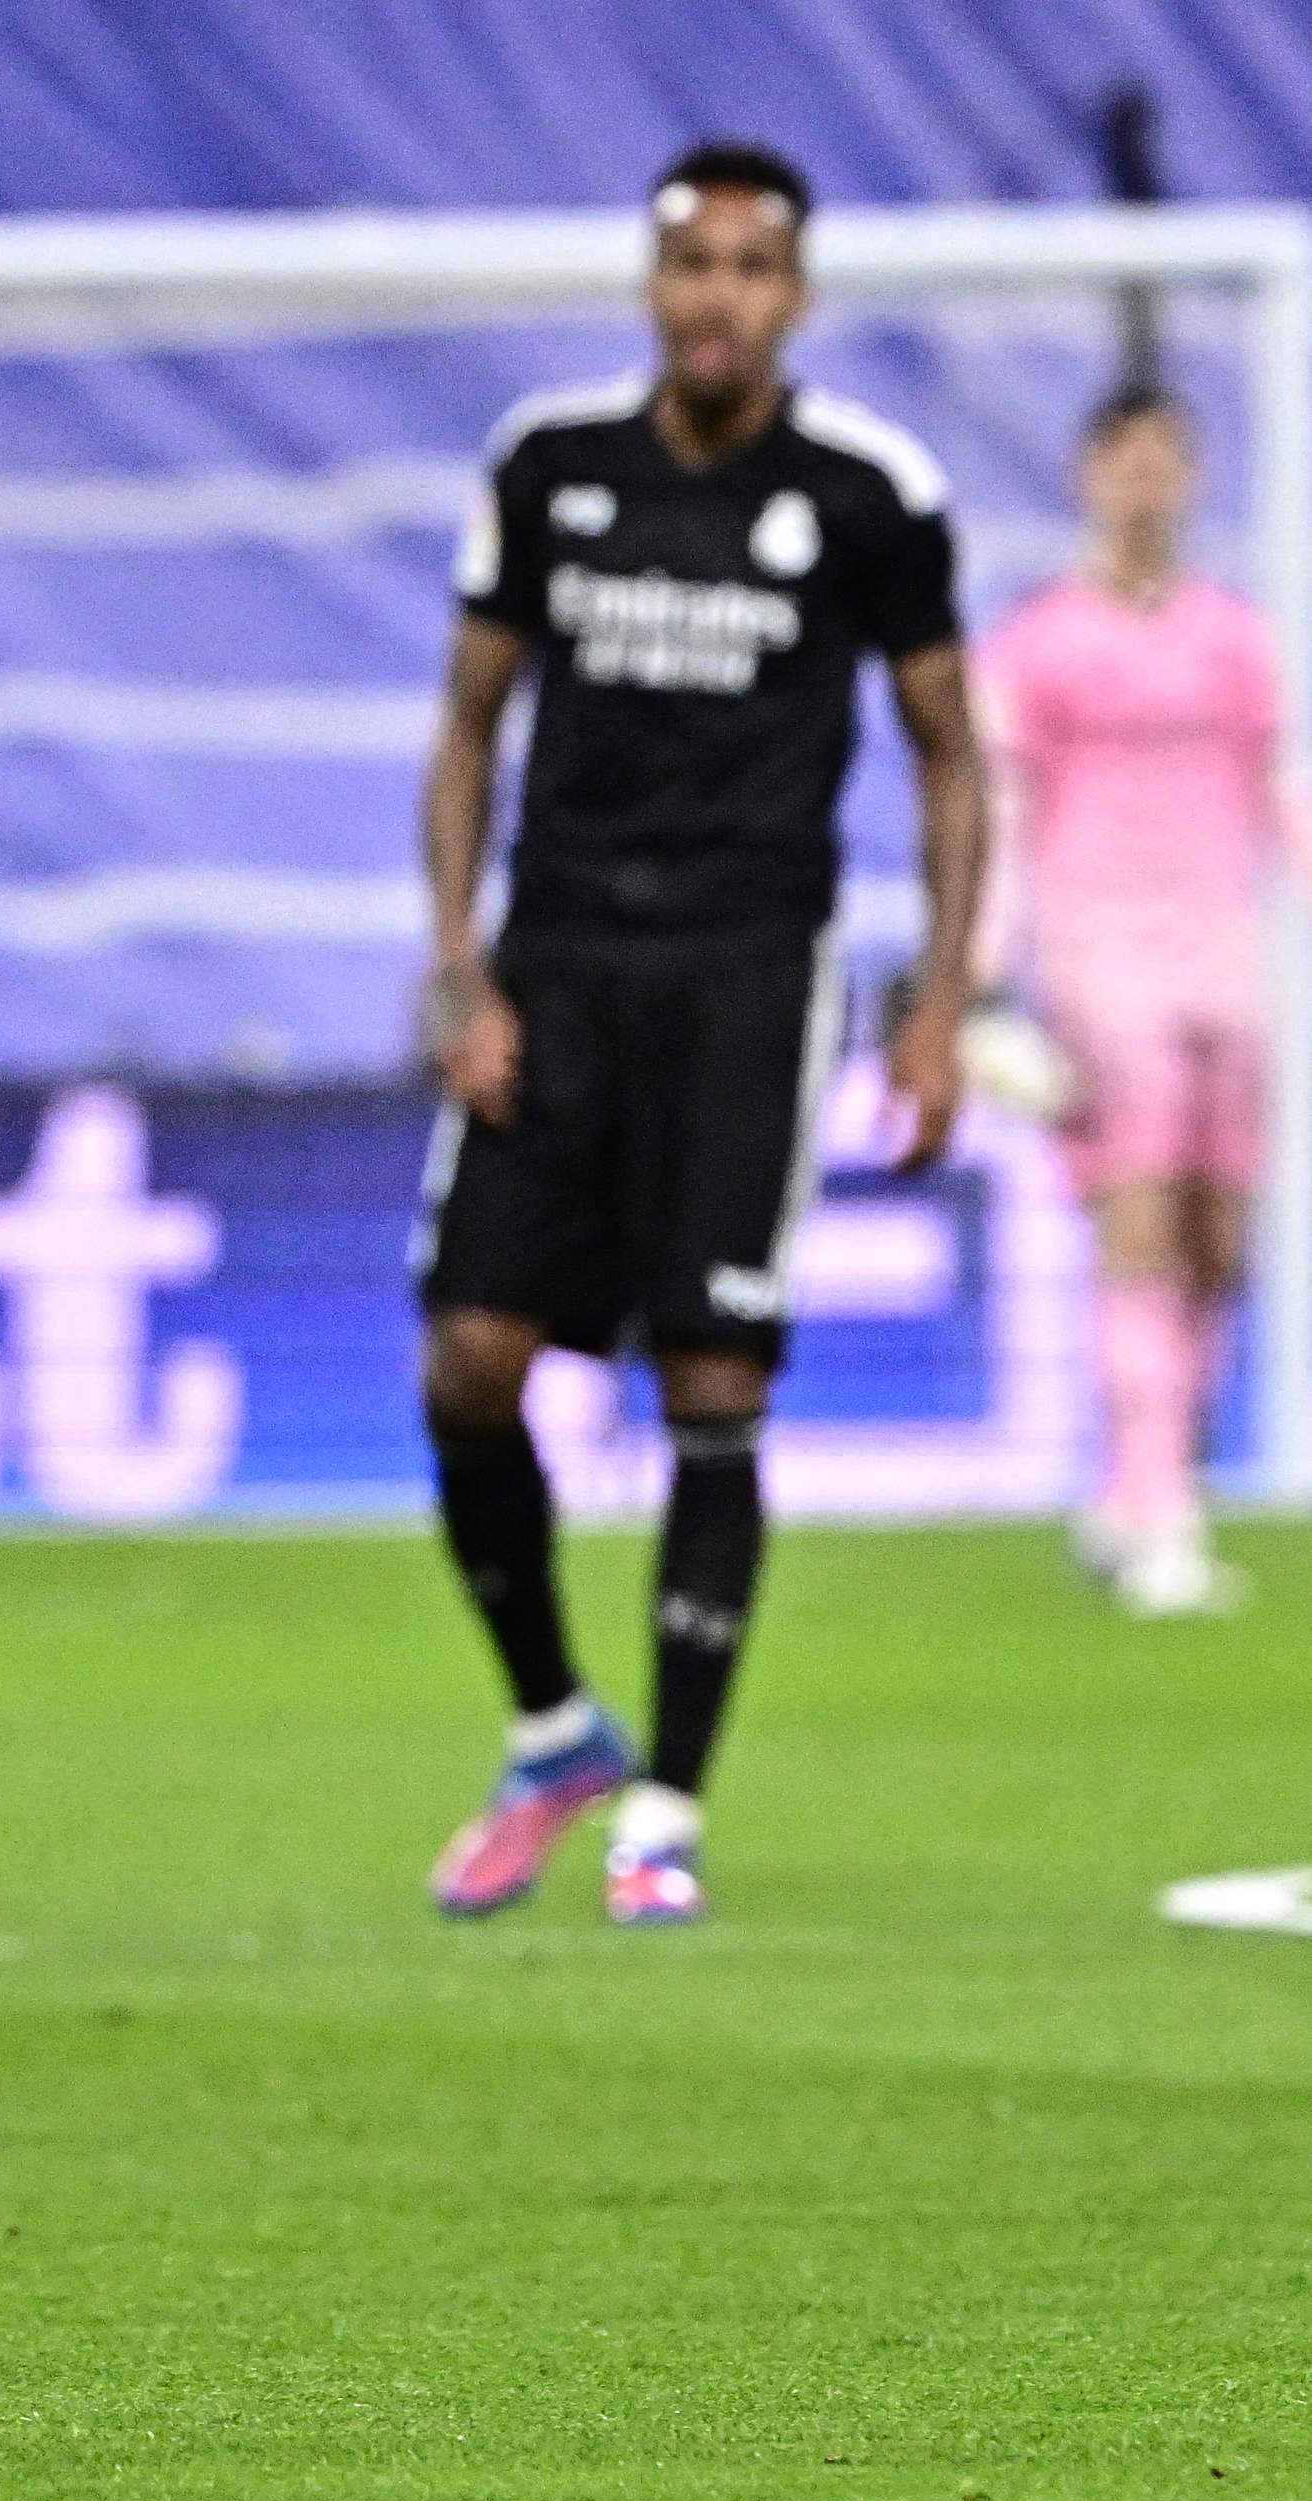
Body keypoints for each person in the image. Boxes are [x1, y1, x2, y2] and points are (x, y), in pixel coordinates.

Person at [411, 140, 984, 1929]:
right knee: (465, 1364)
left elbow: (950, 755)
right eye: (690, 263)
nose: (716, 294)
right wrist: (459, 963)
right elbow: (466, 730)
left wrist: (942, 998)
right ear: (652, 283)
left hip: (747, 988)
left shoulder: (873, 492)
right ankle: (551, 1729)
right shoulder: (549, 466)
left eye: (751, 266)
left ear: (792, 295)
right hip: (557, 969)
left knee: (713, 1381)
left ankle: (665, 1803)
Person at [982, 384, 1303, 1615]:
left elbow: (1278, 782)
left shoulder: (1233, 637)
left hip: (1223, 953)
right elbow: (1003, 810)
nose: (1145, 482)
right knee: (1138, 1222)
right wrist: (985, 974)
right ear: (1085, 477)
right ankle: (1164, 1518)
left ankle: (1130, 1489)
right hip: (1098, 953)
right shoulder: (1036, 643)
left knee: (1220, 1241)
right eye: (1124, 460)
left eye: (1166, 460)